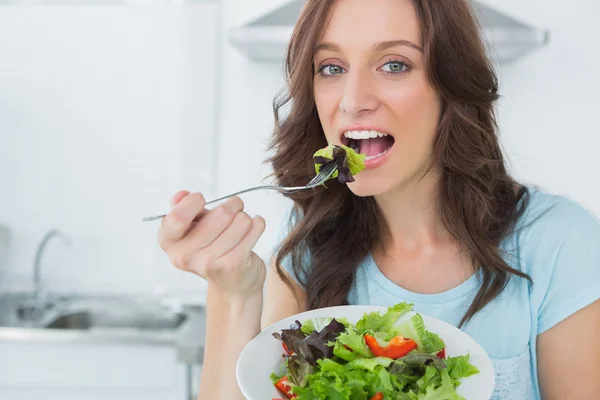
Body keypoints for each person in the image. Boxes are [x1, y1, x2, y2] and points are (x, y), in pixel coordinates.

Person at [156, 0, 600, 399]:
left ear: (452, 86)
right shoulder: (305, 251)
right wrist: (233, 294)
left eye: (394, 65)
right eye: (331, 67)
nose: (352, 101)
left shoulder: (560, 244)